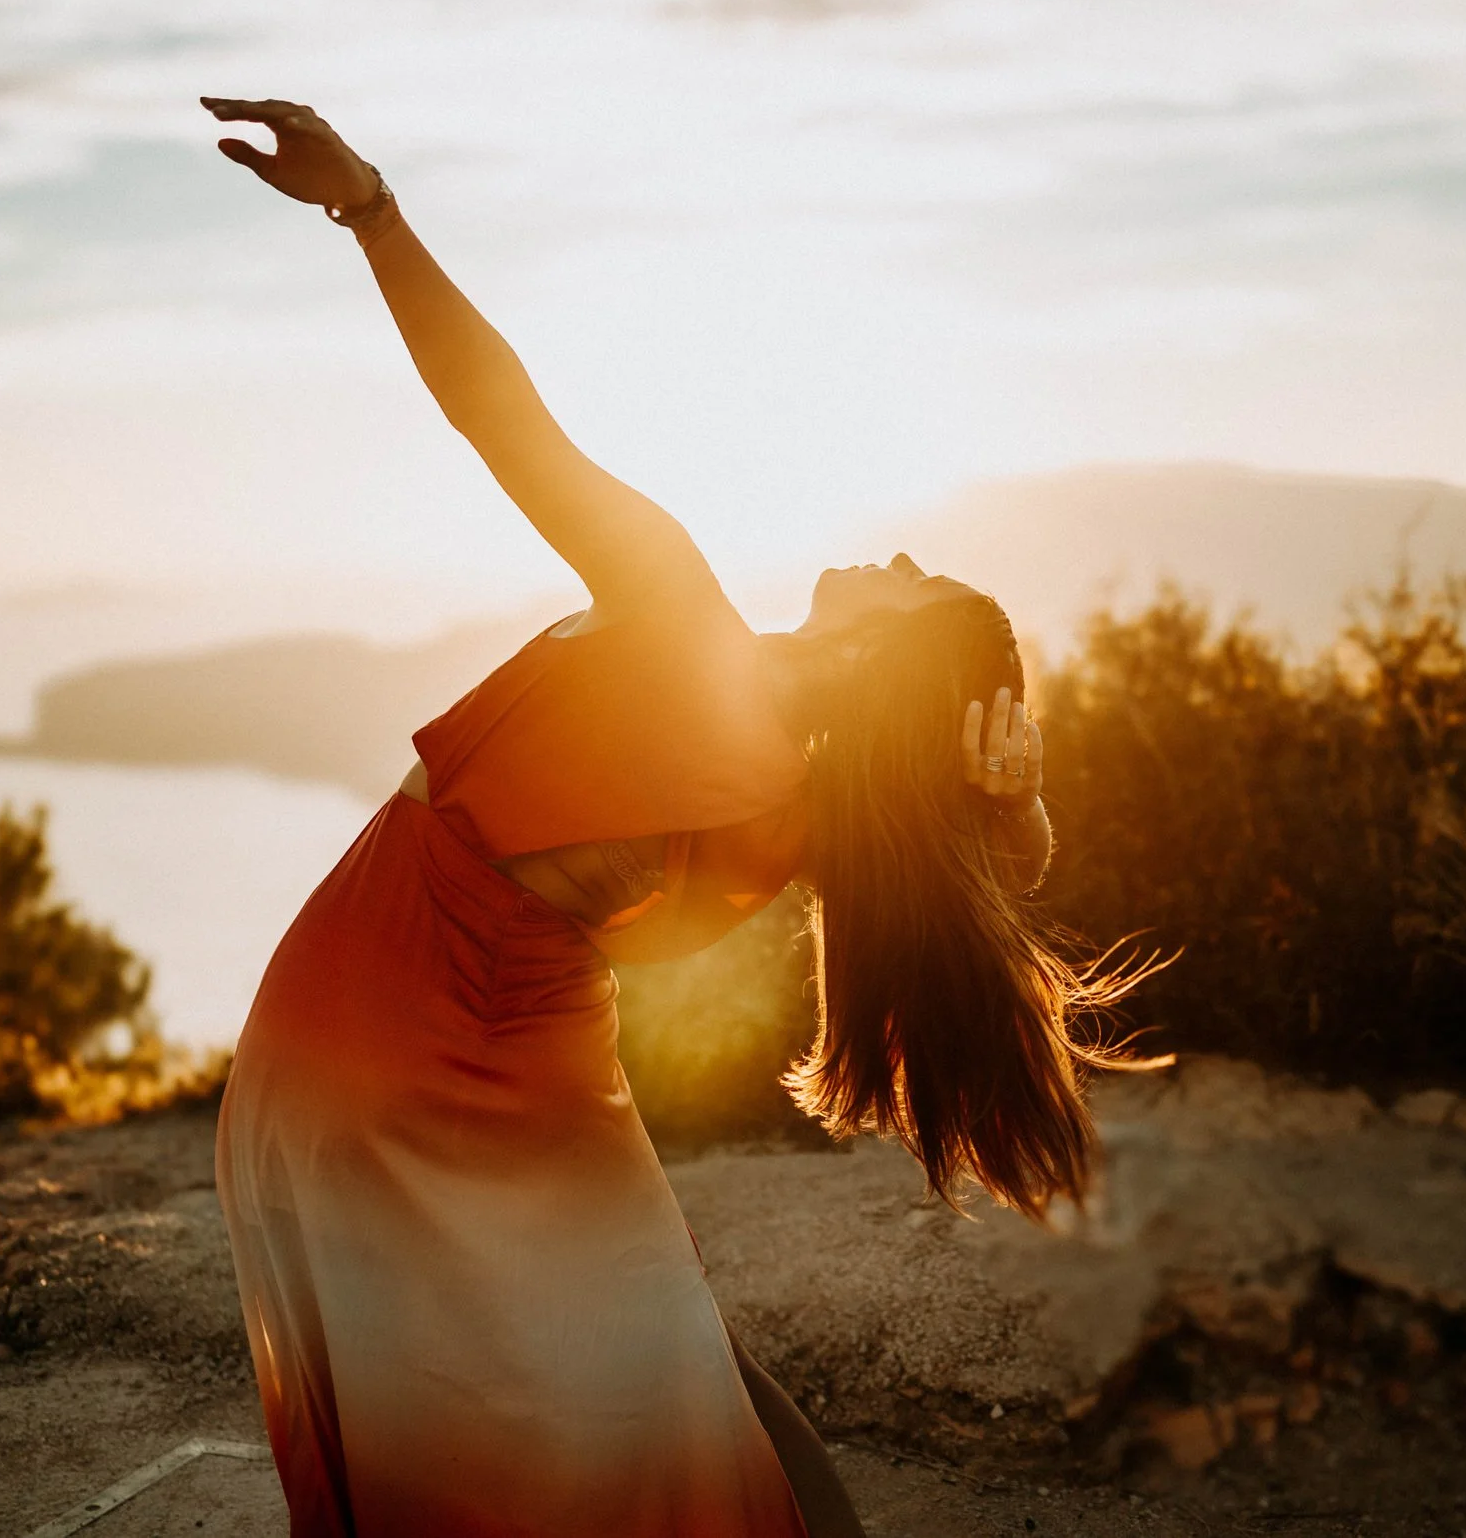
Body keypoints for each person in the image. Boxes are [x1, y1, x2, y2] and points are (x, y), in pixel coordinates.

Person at [202, 96, 1132, 1538]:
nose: (892, 552)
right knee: (655, 1408)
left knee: (647, 1411)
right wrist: (1010, 808)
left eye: (916, 579)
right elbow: (986, 878)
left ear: (894, 662)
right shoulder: (814, 803)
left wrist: (373, 211)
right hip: (440, 1049)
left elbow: (499, 415)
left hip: (400, 1036)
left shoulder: (695, 631)